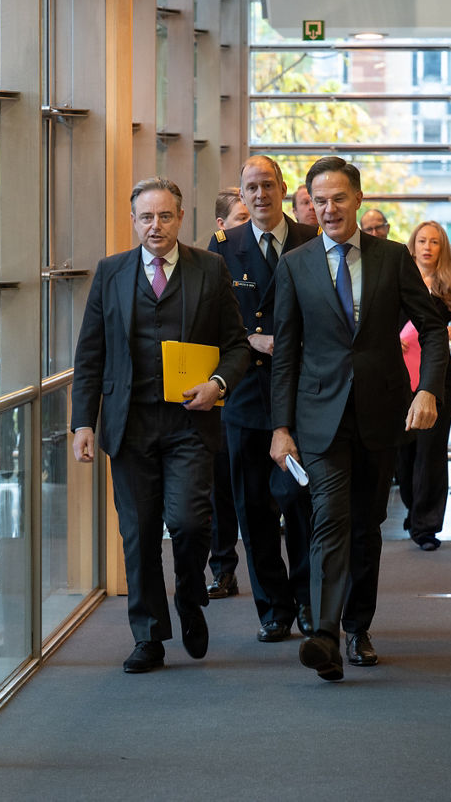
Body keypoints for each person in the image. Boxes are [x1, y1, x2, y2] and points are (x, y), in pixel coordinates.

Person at [269, 156, 449, 681]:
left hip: (379, 413)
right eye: (319, 200)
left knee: (368, 525)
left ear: (358, 199)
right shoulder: (295, 265)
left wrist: (428, 389)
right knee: (330, 517)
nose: (329, 209)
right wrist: (281, 428)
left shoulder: (392, 258)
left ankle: (357, 627)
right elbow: (286, 353)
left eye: (338, 198)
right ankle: (324, 634)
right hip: (318, 416)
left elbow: (434, 330)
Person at [71, 176, 250, 673]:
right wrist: (82, 422)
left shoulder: (209, 270)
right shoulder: (111, 273)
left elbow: (237, 346)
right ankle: (148, 635)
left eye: (165, 215)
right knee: (140, 533)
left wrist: (217, 383)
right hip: (128, 426)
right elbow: (91, 353)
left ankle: (190, 596)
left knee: (191, 523)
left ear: (180, 218)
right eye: (146, 217)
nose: (156, 225)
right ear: (133, 222)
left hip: (189, 424)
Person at [208, 156, 319, 643]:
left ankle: (310, 605)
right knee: (254, 512)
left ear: (283, 188)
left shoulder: (312, 242)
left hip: (300, 397)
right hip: (246, 397)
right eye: (250, 187)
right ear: (241, 192)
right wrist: (249, 340)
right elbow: (207, 320)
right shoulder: (219, 250)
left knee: (302, 507)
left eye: (268, 185)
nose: (259, 195)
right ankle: (273, 609)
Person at [396, 221, 451, 550]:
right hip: (398, 380)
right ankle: (416, 510)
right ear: (412, 246)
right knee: (404, 454)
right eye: (422, 241)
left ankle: (426, 526)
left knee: (431, 452)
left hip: (439, 380)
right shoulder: (396, 280)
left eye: (435, 242)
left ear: (443, 249)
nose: (428, 247)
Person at [205, 189, 253, 601]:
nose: (248, 222)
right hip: (222, 386)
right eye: (240, 217)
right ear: (221, 225)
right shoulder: (213, 260)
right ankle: (223, 568)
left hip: (258, 385)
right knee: (221, 483)